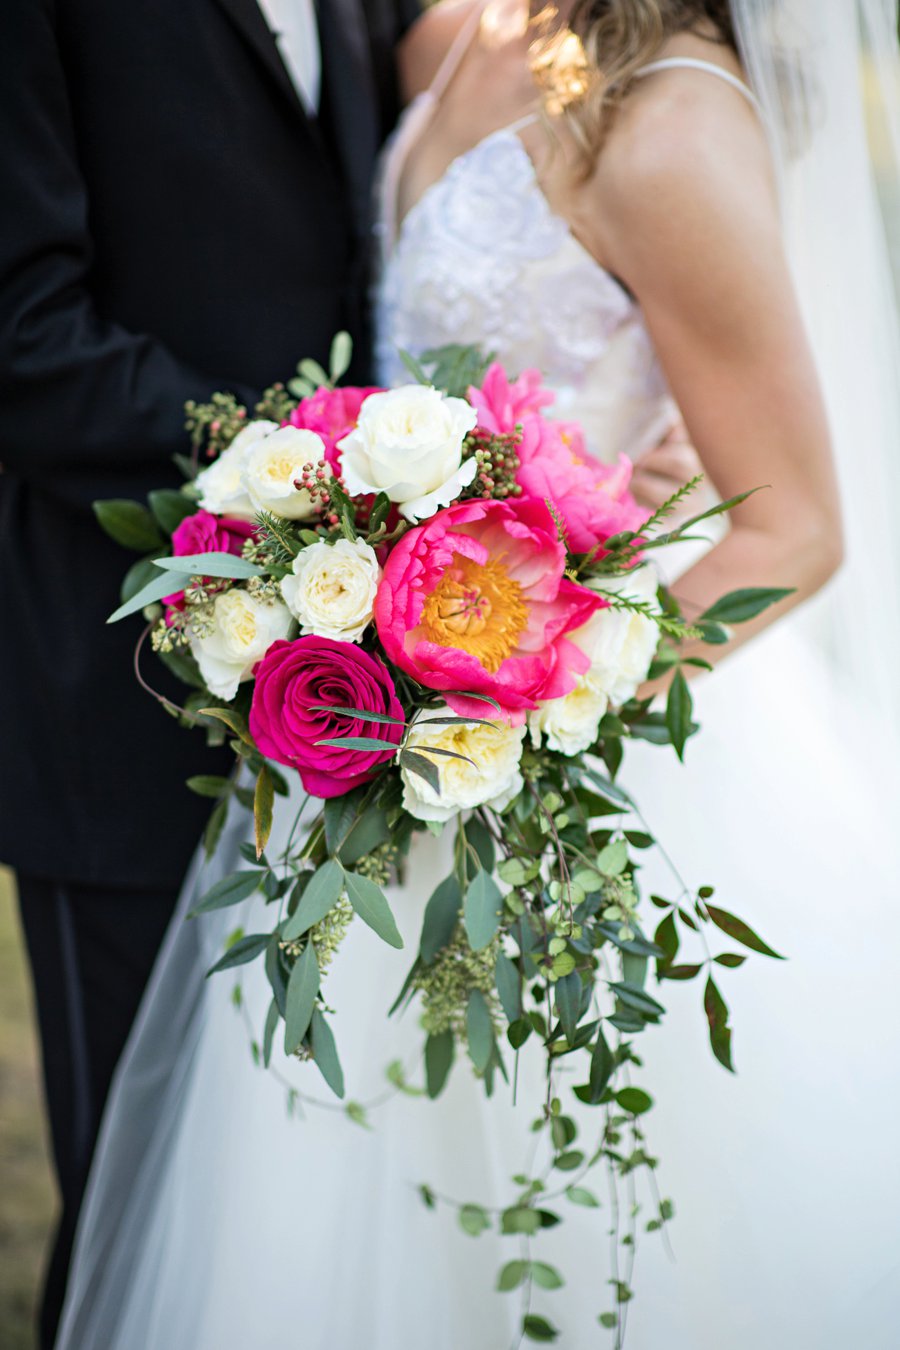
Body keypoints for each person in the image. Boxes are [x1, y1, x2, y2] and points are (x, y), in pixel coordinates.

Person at [53, 1, 900, 1347]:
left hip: (564, 761)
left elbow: (795, 523)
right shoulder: (448, 31)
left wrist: (532, 709)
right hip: (364, 745)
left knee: (581, 1225)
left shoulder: (671, 118)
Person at [0, 0, 418, 1344]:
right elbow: (26, 340)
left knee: (302, 1201)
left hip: (365, 710)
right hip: (119, 694)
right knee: (139, 1206)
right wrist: (302, 475)